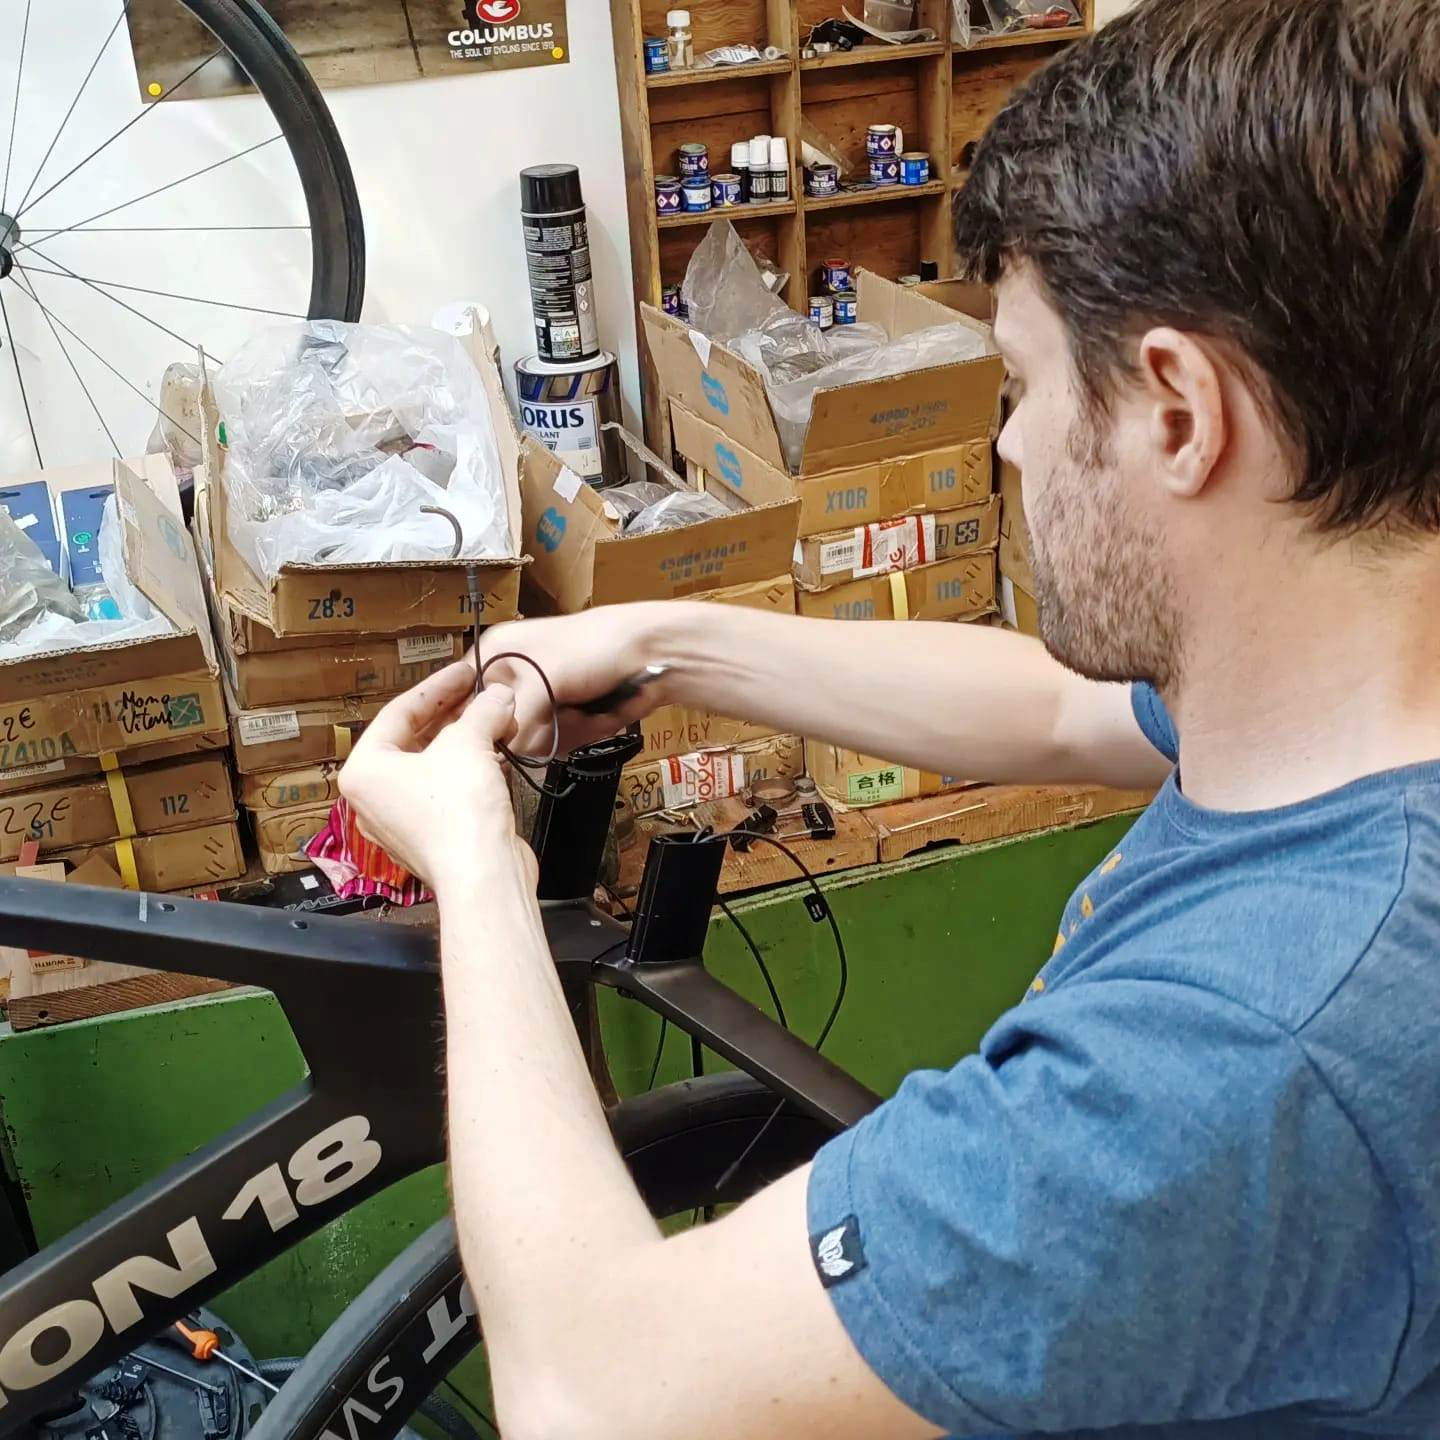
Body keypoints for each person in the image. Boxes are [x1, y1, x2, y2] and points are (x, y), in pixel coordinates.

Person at [337, 0, 1440, 1433]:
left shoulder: (1236, 1062)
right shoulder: (1345, 688)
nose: (1008, 441)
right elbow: (1068, 714)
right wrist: (665, 641)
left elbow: (590, 1392)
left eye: (1025, 382)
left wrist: (474, 868)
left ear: (1179, 412)